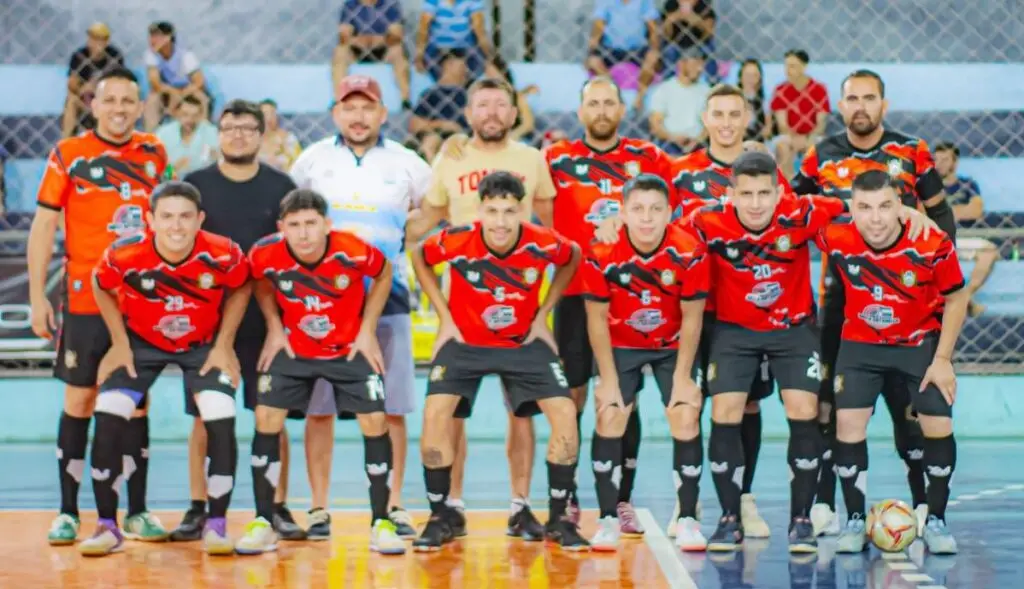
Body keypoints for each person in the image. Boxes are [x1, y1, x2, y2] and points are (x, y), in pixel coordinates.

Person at [694, 151, 934, 553]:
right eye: (747, 193)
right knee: (725, 412)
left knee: (804, 411)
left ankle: (801, 520)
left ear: (779, 192)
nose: (756, 203)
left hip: (793, 329)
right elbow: (663, 233)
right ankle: (728, 518)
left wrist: (909, 212)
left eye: (764, 193)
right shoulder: (706, 220)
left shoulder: (804, 212)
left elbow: (861, 206)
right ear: (731, 193)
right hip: (734, 332)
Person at [791, 69, 957, 538]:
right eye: (851, 99)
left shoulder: (912, 150)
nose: (860, 106)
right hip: (841, 299)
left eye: (869, 98)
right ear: (840, 106)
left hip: (909, 299)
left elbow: (941, 216)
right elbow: (792, 210)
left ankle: (926, 507)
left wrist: (937, 268)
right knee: (834, 407)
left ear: (884, 104)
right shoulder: (819, 155)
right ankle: (830, 507)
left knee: (913, 406)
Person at [408, 76, 557, 539]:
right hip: (462, 312)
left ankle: (521, 506)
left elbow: (551, 231)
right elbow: (426, 223)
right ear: (469, 113)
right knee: (449, 412)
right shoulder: (451, 158)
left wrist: (542, 310)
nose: (491, 112)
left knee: (523, 412)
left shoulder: (532, 159)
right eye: (482, 105)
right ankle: (450, 506)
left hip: (520, 308)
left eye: (500, 104)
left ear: (514, 113)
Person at [29, 67, 170, 546]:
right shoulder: (69, 155)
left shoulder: (154, 154)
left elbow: (169, 223)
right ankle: (68, 512)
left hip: (141, 305)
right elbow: (44, 228)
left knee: (135, 405)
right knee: (80, 400)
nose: (120, 110)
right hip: (86, 301)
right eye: (111, 101)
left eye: (129, 101)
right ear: (94, 104)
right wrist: (36, 296)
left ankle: (137, 511)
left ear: (140, 105)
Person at [409, 171, 586, 551]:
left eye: (509, 211)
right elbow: (420, 257)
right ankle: (441, 515)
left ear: (522, 210)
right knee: (435, 413)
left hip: (522, 340)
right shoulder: (457, 239)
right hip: (466, 340)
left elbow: (573, 256)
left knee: (565, 413)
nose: (501, 221)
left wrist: (544, 313)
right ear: (480, 211)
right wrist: (445, 316)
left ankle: (557, 518)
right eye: (493, 211)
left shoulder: (541, 241)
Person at [290, 75, 433, 539]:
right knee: (320, 407)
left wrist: (400, 237)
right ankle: (317, 507)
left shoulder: (407, 162)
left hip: (386, 292)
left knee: (391, 405)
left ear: (382, 113)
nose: (358, 116)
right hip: (322, 298)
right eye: (349, 108)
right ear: (336, 113)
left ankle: (392, 504)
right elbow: (295, 215)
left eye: (367, 107)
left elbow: (432, 209)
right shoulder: (312, 160)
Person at [80, 181, 250, 556]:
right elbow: (99, 283)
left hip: (201, 345)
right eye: (167, 217)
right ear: (150, 220)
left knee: (220, 413)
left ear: (200, 219)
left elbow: (241, 286)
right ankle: (107, 526)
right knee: (109, 414)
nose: (177, 226)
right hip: (141, 344)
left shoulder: (224, 253)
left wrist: (224, 345)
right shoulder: (124, 254)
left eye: (186, 217)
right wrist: (119, 343)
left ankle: (217, 525)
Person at [236, 188, 405, 556]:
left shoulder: (352, 248)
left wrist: (367, 329)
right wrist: (275, 328)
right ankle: (263, 521)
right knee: (265, 417)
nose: (304, 233)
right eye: (294, 225)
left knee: (376, 421)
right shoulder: (266, 253)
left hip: (348, 348)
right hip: (295, 348)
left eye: (311, 223)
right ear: (282, 227)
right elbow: (258, 281)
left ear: (327, 224)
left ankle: (382, 522)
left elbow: (384, 273)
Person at [169, 100, 305, 543]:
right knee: (203, 419)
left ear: (262, 135)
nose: (239, 135)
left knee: (272, 417)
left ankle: (276, 507)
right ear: (218, 133)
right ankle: (197, 506)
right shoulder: (196, 186)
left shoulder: (281, 186)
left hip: (269, 325)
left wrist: (282, 323)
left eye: (248, 128)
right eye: (230, 127)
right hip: (208, 327)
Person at [546, 76, 676, 535]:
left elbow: (683, 200)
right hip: (577, 295)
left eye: (609, 103)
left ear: (622, 109)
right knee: (573, 399)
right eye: (592, 103)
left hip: (632, 296)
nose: (601, 110)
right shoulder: (557, 159)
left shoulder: (649, 159)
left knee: (624, 398)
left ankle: (621, 500)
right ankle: (563, 500)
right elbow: (518, 184)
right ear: (580, 111)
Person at [820, 170, 967, 555]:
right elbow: (785, 212)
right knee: (848, 423)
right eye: (864, 208)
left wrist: (943, 360)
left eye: (886, 206)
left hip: (919, 345)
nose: (876, 218)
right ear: (852, 209)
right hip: (860, 346)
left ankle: (935, 519)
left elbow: (957, 297)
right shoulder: (835, 235)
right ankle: (853, 520)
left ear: (901, 206)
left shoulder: (930, 240)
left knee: (938, 420)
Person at [581, 174, 708, 551]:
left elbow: (693, 317)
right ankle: (607, 519)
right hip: (621, 343)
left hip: (672, 344)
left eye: (656, 209)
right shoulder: (602, 251)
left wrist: (684, 378)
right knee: (610, 412)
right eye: (637, 209)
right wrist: (606, 379)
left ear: (670, 212)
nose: (647, 218)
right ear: (623, 212)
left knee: (685, 412)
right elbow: (596, 320)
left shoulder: (689, 250)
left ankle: (687, 518)